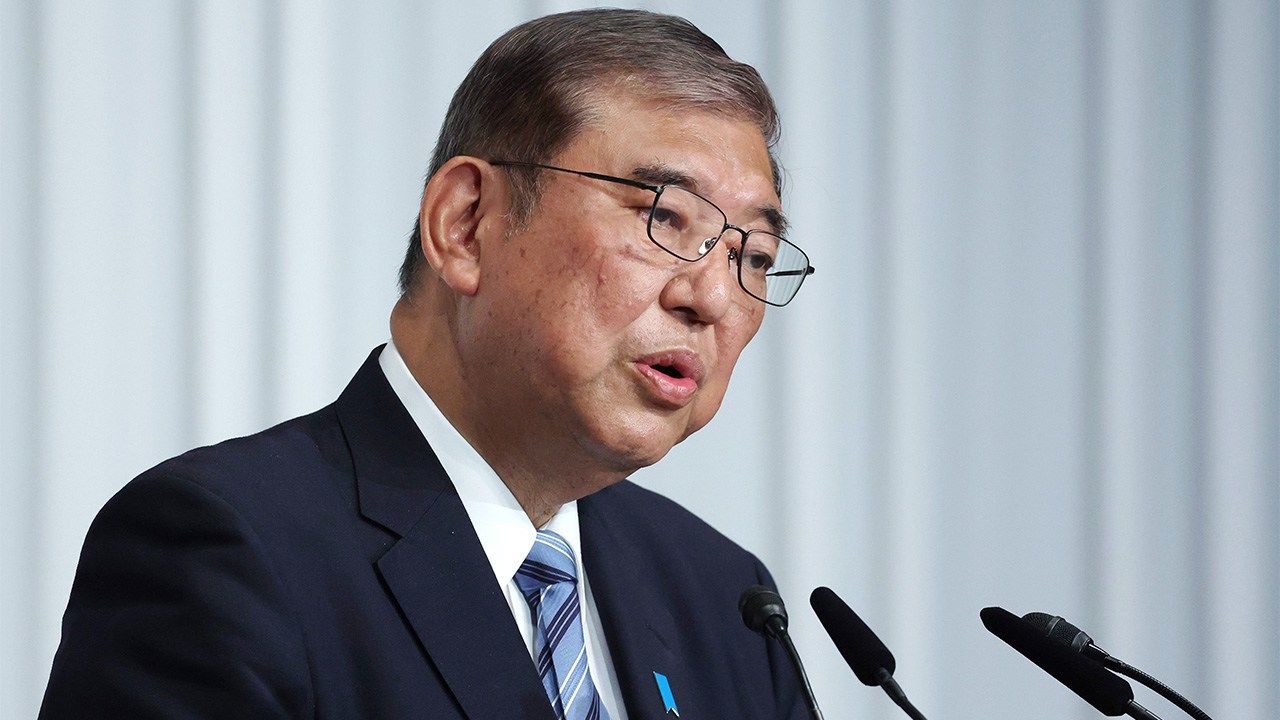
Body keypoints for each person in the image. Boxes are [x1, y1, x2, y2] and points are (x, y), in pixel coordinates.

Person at [40, 9, 814, 719]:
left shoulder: (728, 604)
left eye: (754, 255)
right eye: (665, 217)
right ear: (467, 225)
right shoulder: (227, 554)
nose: (714, 297)